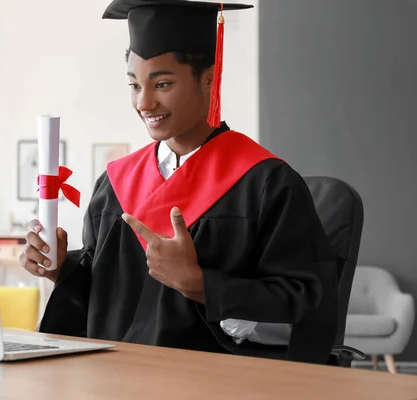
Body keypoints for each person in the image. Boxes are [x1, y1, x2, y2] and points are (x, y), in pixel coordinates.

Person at [19, 0, 339, 364]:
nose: (144, 101)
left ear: (208, 78)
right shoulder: (115, 182)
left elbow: (307, 305)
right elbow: (104, 288)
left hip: (211, 381)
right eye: (134, 84)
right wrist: (61, 267)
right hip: (113, 376)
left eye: (163, 83)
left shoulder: (266, 184)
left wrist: (201, 285)